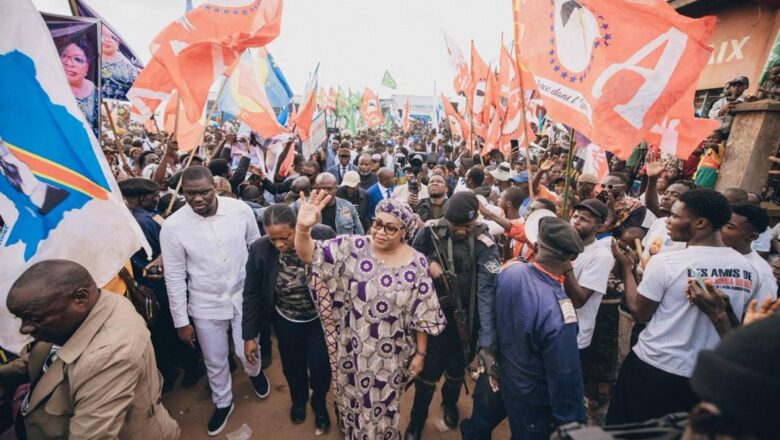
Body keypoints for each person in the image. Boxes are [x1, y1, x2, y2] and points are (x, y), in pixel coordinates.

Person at [606, 189, 766, 425]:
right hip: (705, 377)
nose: (667, 222)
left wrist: (626, 268)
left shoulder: (668, 262)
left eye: (674, 216)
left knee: (627, 430)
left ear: (700, 222)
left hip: (654, 368)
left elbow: (639, 312)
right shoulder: (749, 269)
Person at [294, 193, 446, 439]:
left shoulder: (417, 263)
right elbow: (308, 254)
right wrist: (302, 228)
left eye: (390, 227)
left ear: (403, 232)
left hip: (392, 356)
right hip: (353, 349)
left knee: (384, 406)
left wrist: (420, 353)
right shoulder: (353, 248)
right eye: (377, 223)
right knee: (354, 402)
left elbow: (423, 314)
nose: (380, 231)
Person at [0, 260, 180, 439]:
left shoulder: (109, 356)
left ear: (80, 298)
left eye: (33, 318)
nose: (24, 329)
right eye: (20, 318)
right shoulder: (89, 308)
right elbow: (46, 358)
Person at [160, 166, 267, 436]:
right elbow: (173, 277)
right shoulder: (172, 227)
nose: (197, 199)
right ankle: (223, 402)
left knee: (247, 351)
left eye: (203, 192)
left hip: (244, 296)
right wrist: (181, 322)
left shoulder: (240, 210)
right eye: (190, 194)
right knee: (214, 359)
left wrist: (262, 294)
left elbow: (257, 249)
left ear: (216, 188)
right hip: (205, 304)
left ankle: (254, 374)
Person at [464, 217, 587, 439]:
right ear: (572, 258)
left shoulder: (511, 270)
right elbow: (565, 376)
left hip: (494, 374)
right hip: (529, 393)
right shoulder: (559, 311)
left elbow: (489, 310)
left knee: (478, 427)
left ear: (536, 246)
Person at [406, 192, 501, 439]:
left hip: (467, 321)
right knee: (427, 375)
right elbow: (408, 257)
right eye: (455, 226)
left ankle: (449, 404)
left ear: (476, 219)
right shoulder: (429, 232)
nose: (460, 231)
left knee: (456, 371)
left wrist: (487, 344)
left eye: (466, 227)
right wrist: (427, 262)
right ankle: (417, 420)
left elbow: (486, 295)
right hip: (431, 321)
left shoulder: (485, 243)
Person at [242, 205, 335, 435]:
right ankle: (299, 401)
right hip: (286, 320)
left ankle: (319, 404)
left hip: (319, 319)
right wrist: (249, 336)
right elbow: (251, 292)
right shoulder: (259, 249)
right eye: (273, 240)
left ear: (298, 227)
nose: (280, 245)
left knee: (321, 366)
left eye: (285, 237)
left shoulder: (323, 235)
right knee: (292, 366)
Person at [119, 178, 203, 391]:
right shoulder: (149, 221)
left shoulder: (119, 220)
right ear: (142, 199)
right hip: (164, 285)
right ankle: (193, 367)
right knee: (180, 323)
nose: (157, 200)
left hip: (140, 289)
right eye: (154, 197)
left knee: (160, 332)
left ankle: (168, 371)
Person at [563, 199, 615, 350]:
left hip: (574, 336)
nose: (577, 221)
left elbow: (579, 300)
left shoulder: (601, 256)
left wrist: (565, 264)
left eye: (584, 219)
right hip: (551, 329)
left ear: (598, 228)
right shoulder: (563, 244)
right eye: (575, 216)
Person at [720, 203, 778, 301]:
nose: (720, 229)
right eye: (721, 223)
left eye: (729, 227)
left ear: (752, 237)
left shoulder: (761, 273)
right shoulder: (708, 254)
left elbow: (760, 314)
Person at [299, 173, 364, 235]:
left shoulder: (348, 206)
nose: (326, 192)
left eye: (330, 189)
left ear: (336, 188)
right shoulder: (304, 206)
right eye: (322, 188)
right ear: (316, 188)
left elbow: (360, 232)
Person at [59, 39, 98, 133]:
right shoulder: (48, 88)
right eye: (64, 56)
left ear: (88, 67)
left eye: (77, 59)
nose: (68, 63)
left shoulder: (93, 89)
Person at [600, 172, 647, 236]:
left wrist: (610, 209)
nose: (605, 189)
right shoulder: (597, 198)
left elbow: (624, 232)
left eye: (610, 187)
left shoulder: (636, 206)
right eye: (603, 186)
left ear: (624, 188)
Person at [100, 26, 139, 100]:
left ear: (119, 43)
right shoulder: (87, 58)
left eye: (113, 38)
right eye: (103, 35)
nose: (107, 39)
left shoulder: (128, 67)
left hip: (117, 108)